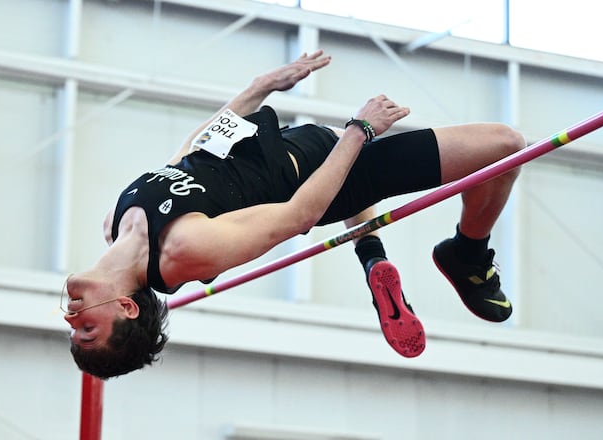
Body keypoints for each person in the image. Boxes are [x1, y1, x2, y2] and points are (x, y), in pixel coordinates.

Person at [61, 50, 526, 379]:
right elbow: (300, 214)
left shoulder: (115, 221)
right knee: (504, 146)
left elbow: (192, 155)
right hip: (335, 169)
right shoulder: (185, 251)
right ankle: (467, 253)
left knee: (495, 153)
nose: (72, 318)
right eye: (87, 328)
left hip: (298, 142)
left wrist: (257, 89)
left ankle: (370, 254)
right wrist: (359, 131)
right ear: (125, 307)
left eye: (75, 329)